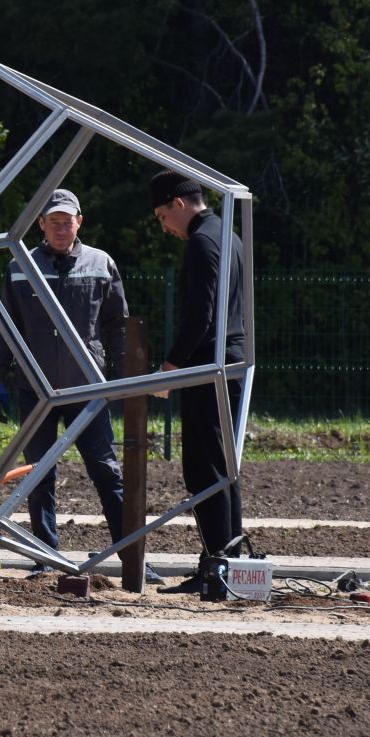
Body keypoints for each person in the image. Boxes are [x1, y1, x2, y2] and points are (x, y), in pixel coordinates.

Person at [0, 188, 153, 579]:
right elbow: (4, 327)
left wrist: (123, 378)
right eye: (54, 222)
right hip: (36, 388)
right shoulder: (20, 265)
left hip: (88, 389)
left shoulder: (101, 263)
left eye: (68, 221)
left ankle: (133, 557)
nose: (61, 228)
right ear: (41, 224)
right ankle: (46, 557)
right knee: (39, 474)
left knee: (107, 471)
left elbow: (117, 325)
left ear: (80, 221)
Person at [148, 171, 246, 595]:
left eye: (161, 215)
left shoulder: (204, 242)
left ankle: (218, 571)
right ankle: (227, 563)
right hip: (230, 362)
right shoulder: (230, 235)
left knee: (203, 468)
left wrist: (171, 367)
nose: (163, 226)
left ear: (179, 203)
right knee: (224, 468)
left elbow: (200, 317)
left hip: (211, 366)